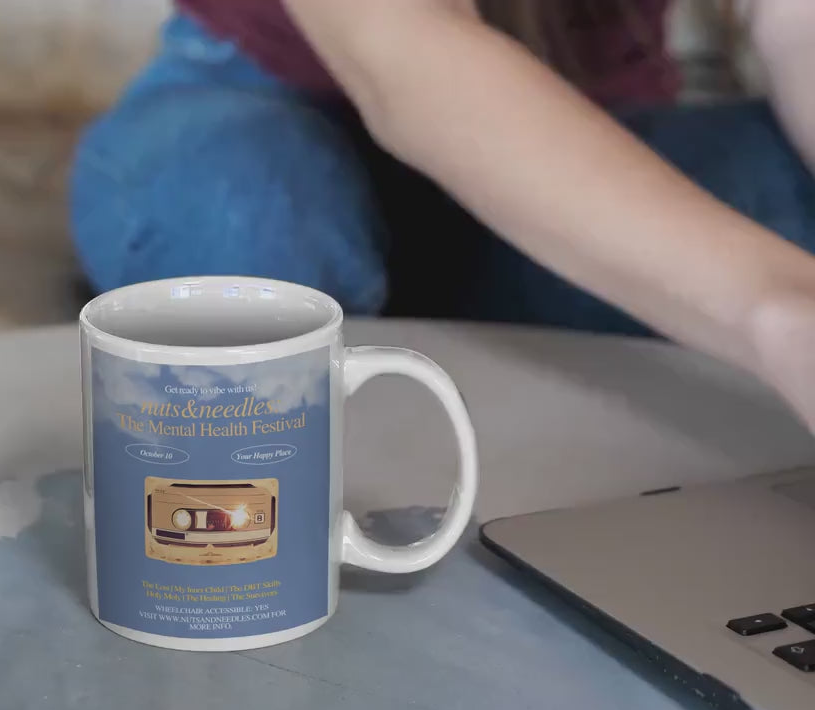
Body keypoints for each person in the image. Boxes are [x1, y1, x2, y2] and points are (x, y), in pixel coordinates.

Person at [67, 0, 815, 432]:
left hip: (589, 144)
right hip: (266, 100)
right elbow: (405, 56)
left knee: (784, 193)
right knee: (245, 230)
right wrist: (781, 311)